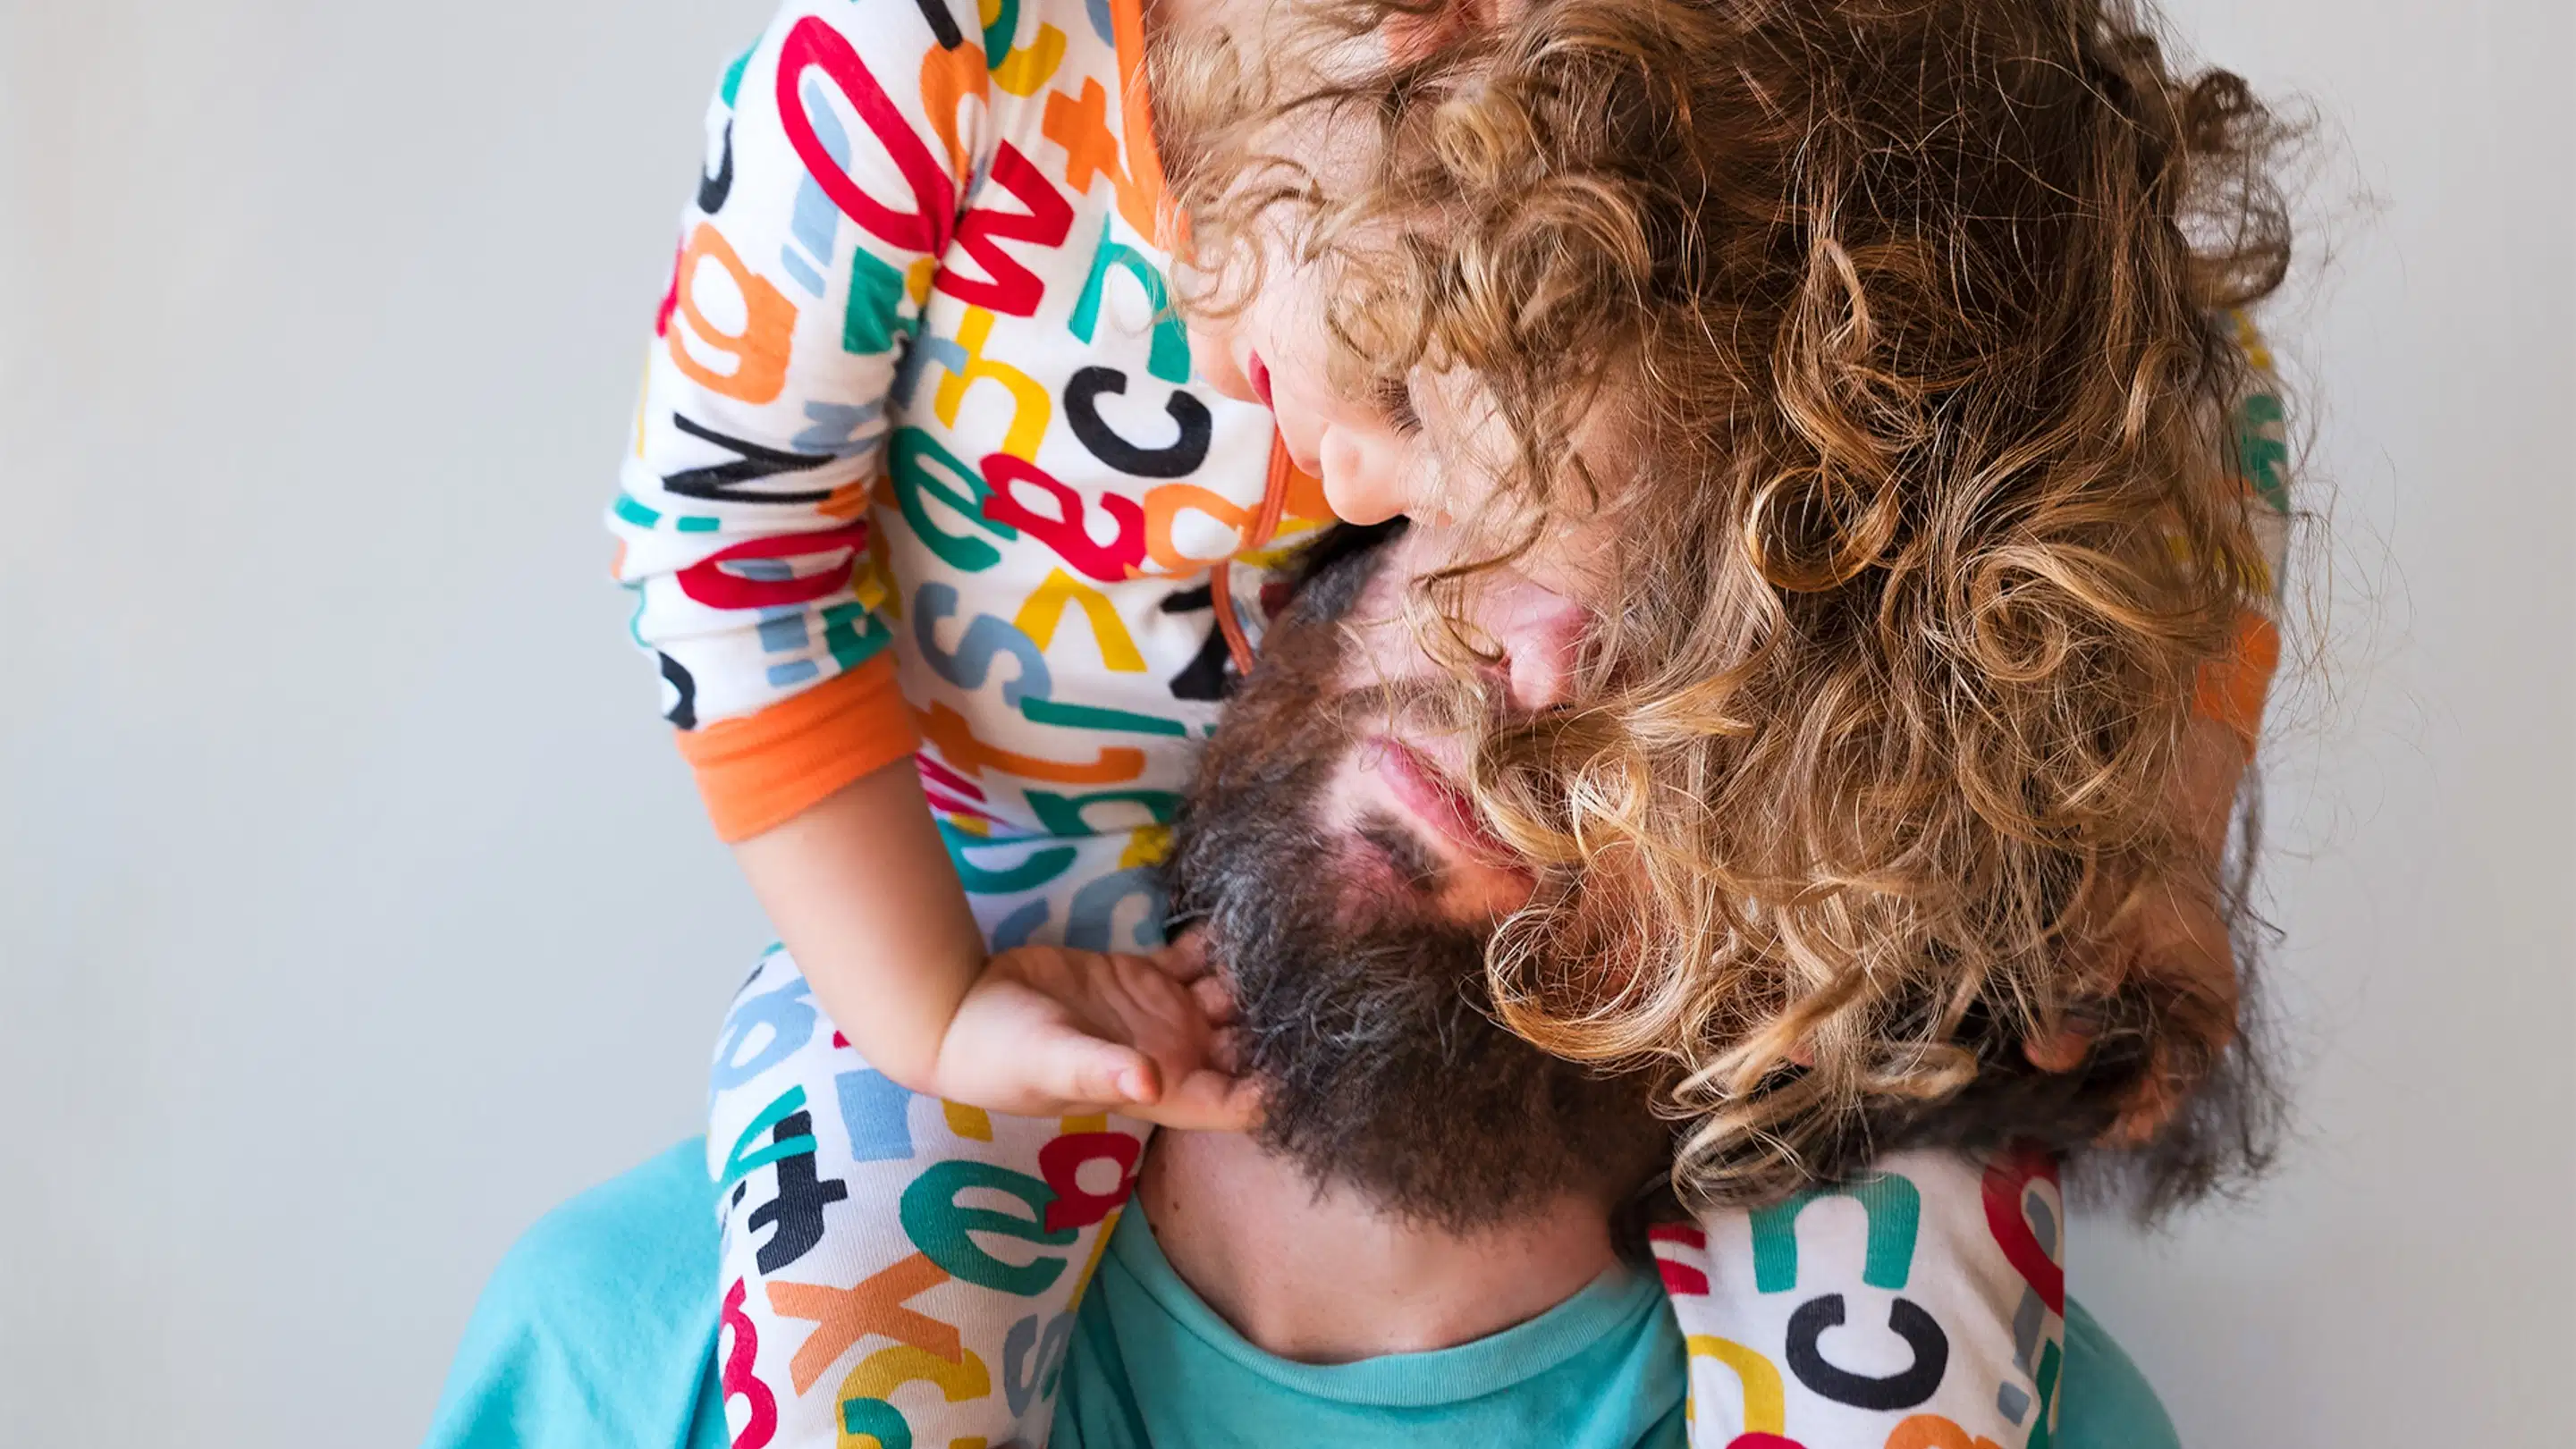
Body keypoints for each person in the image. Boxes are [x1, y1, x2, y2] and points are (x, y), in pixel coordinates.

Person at [609, 0, 2295, 1442]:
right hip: (981, 880)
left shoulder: (1654, 171)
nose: (1338, 493)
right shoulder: (934, 65)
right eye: (1407, 403)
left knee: (1917, 1271)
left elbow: (2204, 401)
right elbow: (724, 526)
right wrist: (927, 1006)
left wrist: (2151, 859)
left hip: (1744, 983)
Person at [432, 522, 2208, 1447]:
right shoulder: (634, 1353)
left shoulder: (2047, 1431)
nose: (1540, 652)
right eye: (1521, 480)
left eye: (1728, 642)